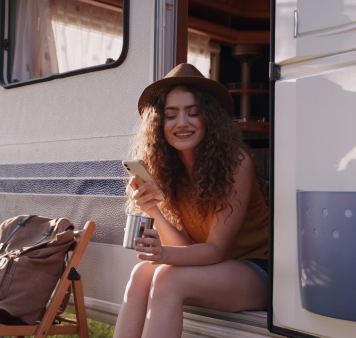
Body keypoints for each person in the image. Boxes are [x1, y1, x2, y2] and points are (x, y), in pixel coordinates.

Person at [113, 63, 270, 338]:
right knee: (141, 273)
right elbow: (185, 248)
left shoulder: (236, 163)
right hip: (211, 270)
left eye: (193, 113)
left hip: (257, 270)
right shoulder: (168, 170)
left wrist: (163, 255)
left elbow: (215, 250)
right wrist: (153, 209)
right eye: (171, 115)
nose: (181, 123)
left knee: (167, 277)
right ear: (160, 124)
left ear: (210, 118)